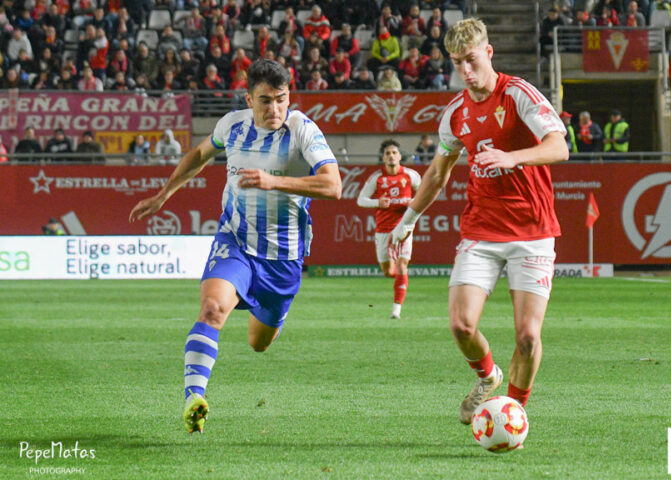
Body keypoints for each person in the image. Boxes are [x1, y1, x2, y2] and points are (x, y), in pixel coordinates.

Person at [128, 59, 342, 434]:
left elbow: (333, 186)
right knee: (212, 309)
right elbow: (199, 154)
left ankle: (272, 314)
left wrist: (274, 182)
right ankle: (194, 398)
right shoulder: (232, 125)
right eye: (265, 101)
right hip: (236, 241)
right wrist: (165, 194)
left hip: (282, 258)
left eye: (281, 99)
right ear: (249, 99)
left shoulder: (303, 130)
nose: (275, 108)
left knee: (259, 344)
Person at [389, 18, 568, 424]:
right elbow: (438, 172)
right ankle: (488, 376)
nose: (465, 71)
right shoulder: (456, 113)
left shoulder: (518, 94)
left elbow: (559, 147)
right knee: (461, 325)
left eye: (471, 60)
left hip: (532, 229)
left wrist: (513, 157)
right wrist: (408, 219)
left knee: (528, 337)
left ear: (488, 52)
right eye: (457, 63)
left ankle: (513, 414)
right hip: (481, 231)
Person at [357, 140, 422, 320]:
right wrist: (378, 202)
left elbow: (424, 193)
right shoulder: (377, 178)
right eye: (387, 153)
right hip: (383, 230)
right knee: (388, 272)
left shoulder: (411, 175)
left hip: (403, 227)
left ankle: (396, 310)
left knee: (402, 265)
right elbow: (361, 200)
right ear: (383, 158)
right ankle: (400, 278)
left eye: (394, 152)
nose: (391, 156)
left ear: (400, 156)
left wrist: (414, 202)